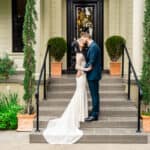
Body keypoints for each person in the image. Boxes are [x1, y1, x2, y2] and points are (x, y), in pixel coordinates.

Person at [43, 39, 91, 144]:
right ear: (78, 45)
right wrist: (86, 69)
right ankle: (78, 115)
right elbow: (77, 66)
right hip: (81, 75)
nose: (82, 41)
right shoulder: (79, 54)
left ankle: (81, 114)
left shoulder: (82, 52)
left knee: (81, 93)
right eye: (80, 41)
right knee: (79, 94)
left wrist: (84, 70)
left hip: (82, 75)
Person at [80, 32, 102, 122]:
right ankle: (95, 111)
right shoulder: (93, 46)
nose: (82, 40)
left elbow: (91, 63)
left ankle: (94, 114)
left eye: (82, 38)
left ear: (86, 37)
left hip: (93, 75)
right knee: (95, 94)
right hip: (93, 74)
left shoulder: (93, 47)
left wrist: (81, 69)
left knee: (94, 95)